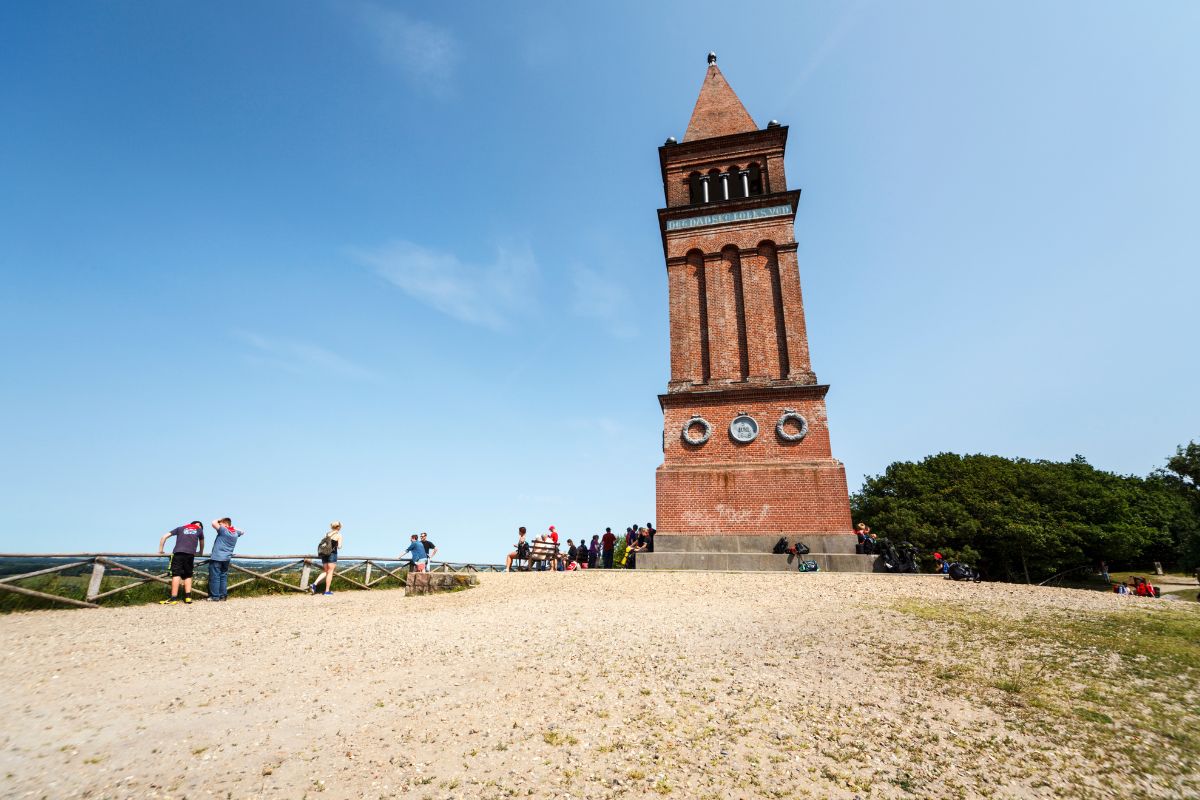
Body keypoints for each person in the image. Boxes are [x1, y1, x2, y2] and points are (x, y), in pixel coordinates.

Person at [158, 521, 204, 605]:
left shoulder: (180, 528)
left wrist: (161, 550)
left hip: (178, 553)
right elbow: (201, 542)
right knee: (188, 575)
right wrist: (200, 552)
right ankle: (188, 598)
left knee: (176, 575)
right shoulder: (199, 530)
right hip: (190, 554)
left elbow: (164, 536)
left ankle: (173, 598)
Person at [207, 517, 244, 602]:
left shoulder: (223, 530)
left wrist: (220, 519)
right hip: (226, 558)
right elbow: (242, 532)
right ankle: (223, 596)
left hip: (217, 557)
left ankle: (215, 597)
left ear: (226, 524)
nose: (219, 525)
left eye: (221, 524)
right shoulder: (235, 533)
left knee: (215, 577)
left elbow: (213, 522)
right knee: (223, 577)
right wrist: (232, 527)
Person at [309, 521, 343, 596]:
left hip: (324, 554)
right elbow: (340, 546)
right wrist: (337, 544)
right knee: (330, 572)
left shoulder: (326, 534)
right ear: (338, 527)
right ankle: (327, 591)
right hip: (332, 554)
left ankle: (314, 584)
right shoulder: (339, 535)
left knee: (325, 571)